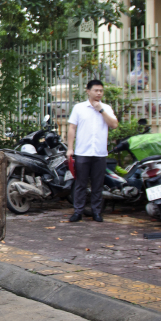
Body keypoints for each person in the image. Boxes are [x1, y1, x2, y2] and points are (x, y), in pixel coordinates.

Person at [65, 79, 119, 223]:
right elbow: (72, 128)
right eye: (96, 90)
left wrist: (101, 110)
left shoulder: (106, 108)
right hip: (82, 152)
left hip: (99, 153)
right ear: (88, 91)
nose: (99, 93)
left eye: (101, 91)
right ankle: (78, 212)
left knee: (97, 184)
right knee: (80, 184)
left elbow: (114, 125)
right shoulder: (79, 108)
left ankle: (96, 212)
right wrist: (70, 148)